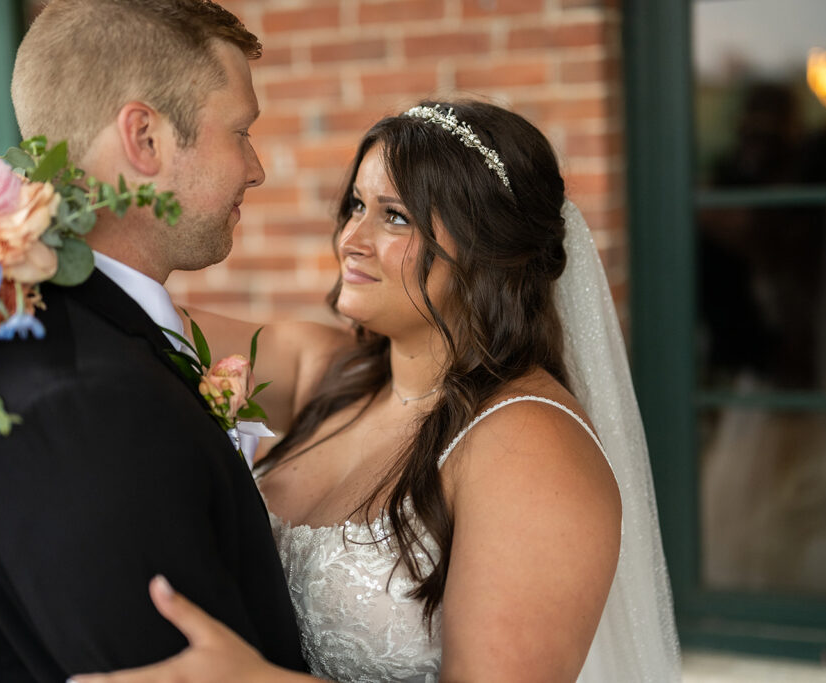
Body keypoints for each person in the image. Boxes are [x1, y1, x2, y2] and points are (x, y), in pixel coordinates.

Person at [73, 100, 682, 682]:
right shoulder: (328, 371)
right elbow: (129, 313)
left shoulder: (533, 447)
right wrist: (18, 237)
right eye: (355, 206)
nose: (351, 240)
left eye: (394, 216)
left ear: (485, 251)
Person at [0, 1, 307, 680]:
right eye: (241, 131)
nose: (256, 167)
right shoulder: (82, 401)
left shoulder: (68, 337)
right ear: (145, 138)